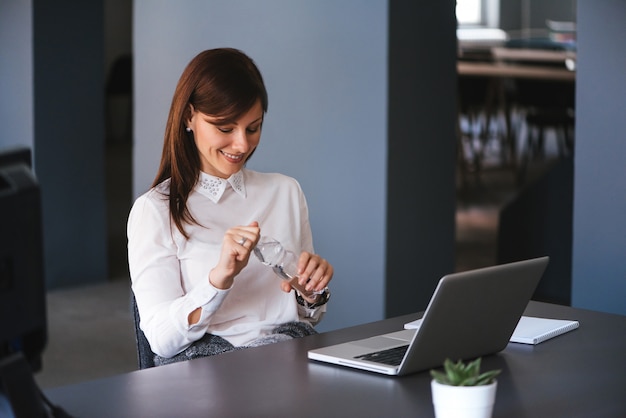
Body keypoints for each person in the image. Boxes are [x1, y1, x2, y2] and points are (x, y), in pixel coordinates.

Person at [127, 48, 333, 366]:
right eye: (225, 129)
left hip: (288, 365)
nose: (242, 145)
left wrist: (310, 292)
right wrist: (218, 279)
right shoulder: (155, 211)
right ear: (188, 117)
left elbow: (310, 318)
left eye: (253, 128)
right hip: (208, 379)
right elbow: (161, 340)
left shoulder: (286, 191)